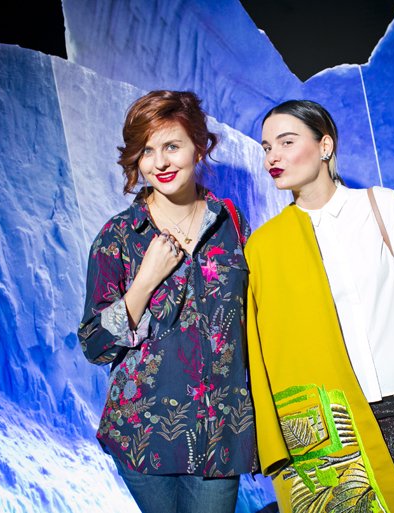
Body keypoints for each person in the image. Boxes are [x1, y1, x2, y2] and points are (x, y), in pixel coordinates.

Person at [245, 99, 394, 513]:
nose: (273, 157)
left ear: (325, 146)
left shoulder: (381, 206)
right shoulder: (266, 244)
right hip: (329, 419)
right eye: (267, 147)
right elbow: (268, 347)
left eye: (286, 142)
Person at [77, 90, 256, 513]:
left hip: (220, 432)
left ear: (198, 147)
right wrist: (144, 282)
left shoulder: (231, 225)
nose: (159, 162)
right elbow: (94, 345)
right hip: (145, 433)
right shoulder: (119, 236)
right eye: (147, 151)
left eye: (172, 146)